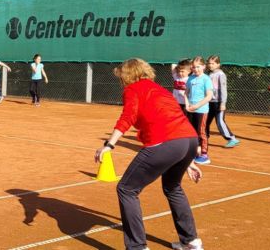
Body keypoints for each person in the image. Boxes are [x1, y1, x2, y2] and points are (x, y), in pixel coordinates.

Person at [94, 58, 203, 250]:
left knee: (127, 189)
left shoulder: (132, 89)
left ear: (128, 75)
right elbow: (173, 117)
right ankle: (191, 241)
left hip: (166, 141)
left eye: (122, 76)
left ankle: (137, 247)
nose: (121, 80)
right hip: (189, 140)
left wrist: (109, 145)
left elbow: (128, 117)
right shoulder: (159, 88)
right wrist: (188, 161)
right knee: (172, 187)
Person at [205, 56, 240, 148]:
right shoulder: (208, 74)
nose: (210, 65)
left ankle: (232, 138)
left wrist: (223, 103)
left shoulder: (221, 74)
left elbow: (223, 90)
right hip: (209, 102)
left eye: (213, 63)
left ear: (218, 64)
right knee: (205, 121)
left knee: (220, 121)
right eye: (209, 63)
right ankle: (204, 138)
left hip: (218, 102)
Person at [185, 56, 214, 165]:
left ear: (203, 67)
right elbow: (186, 93)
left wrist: (197, 106)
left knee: (201, 132)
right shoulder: (190, 78)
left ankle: (204, 154)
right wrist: (187, 104)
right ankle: (193, 153)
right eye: (193, 67)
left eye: (198, 67)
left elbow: (209, 96)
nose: (196, 69)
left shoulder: (206, 79)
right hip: (190, 110)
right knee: (191, 133)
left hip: (201, 110)